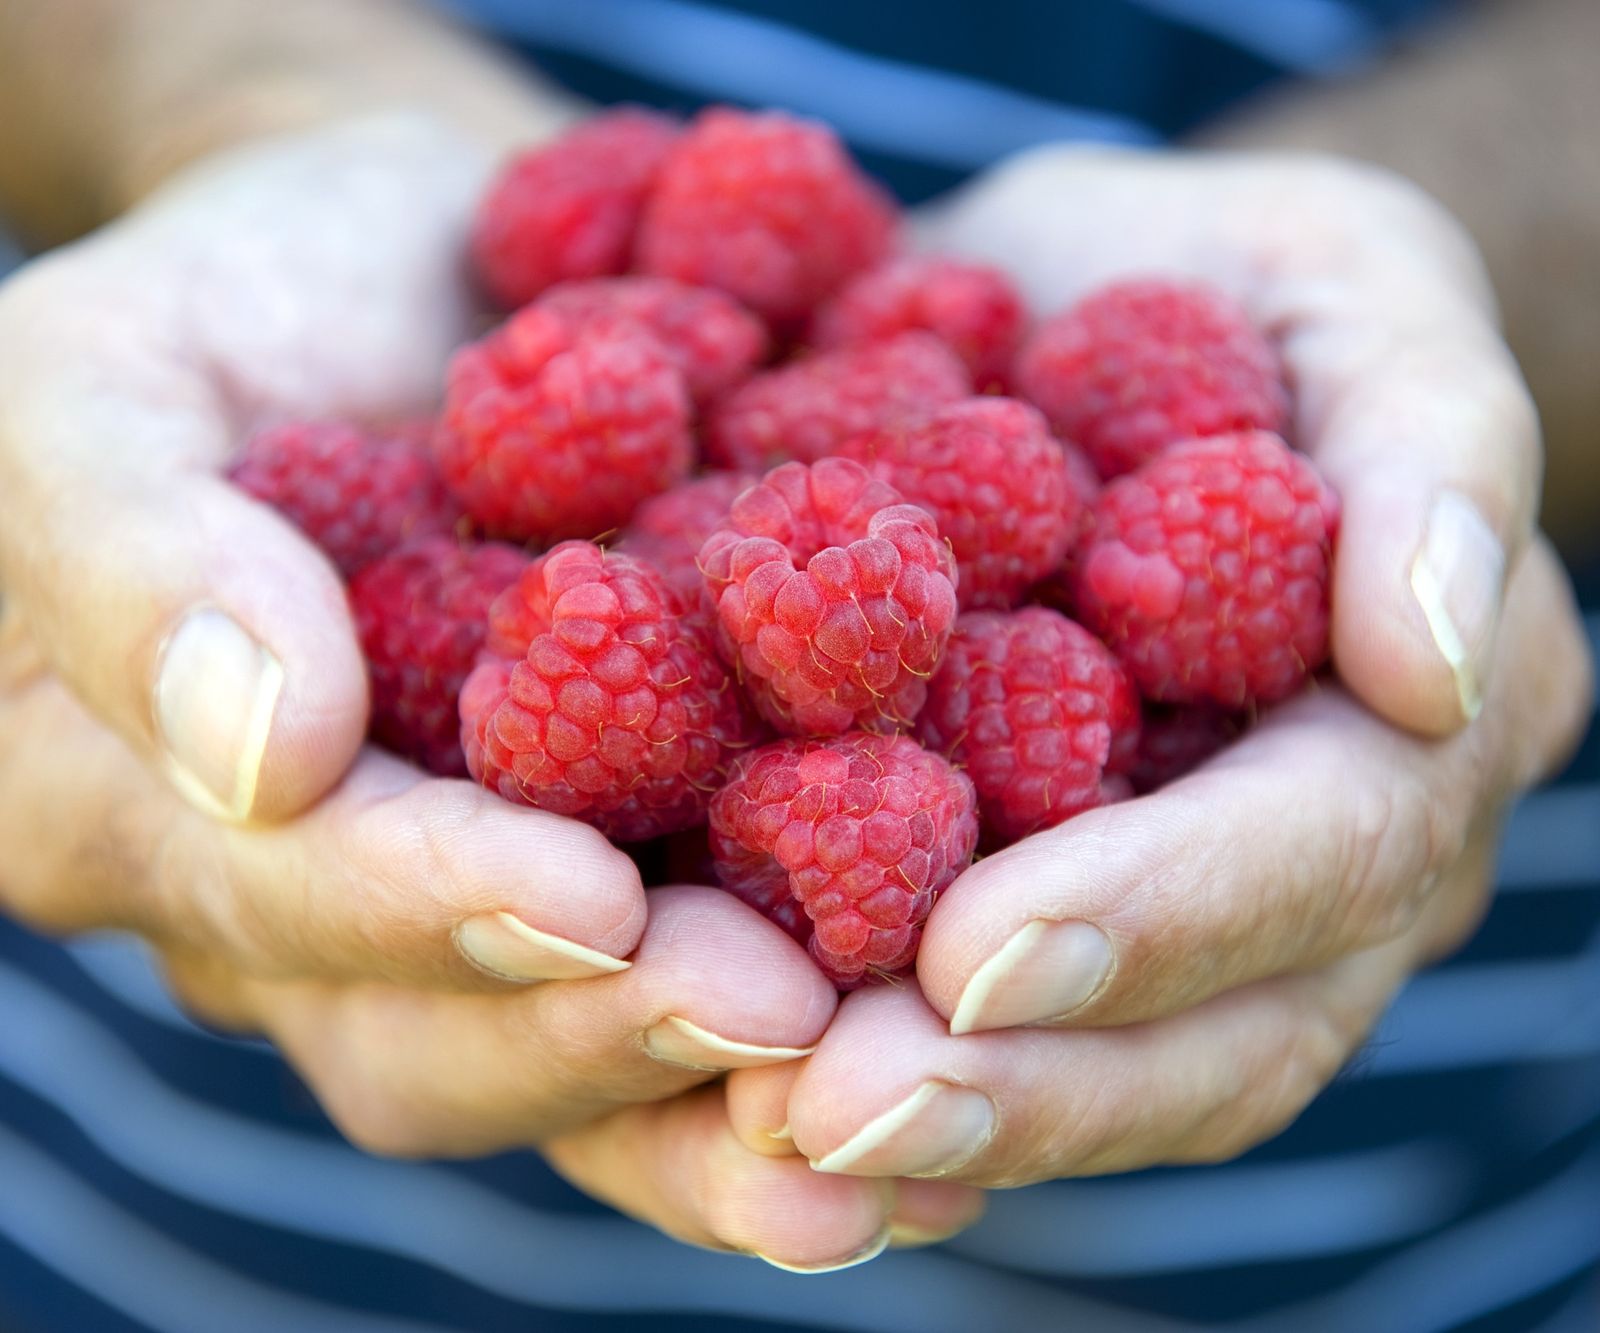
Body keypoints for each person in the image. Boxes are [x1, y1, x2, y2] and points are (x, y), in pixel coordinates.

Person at [0, 1, 1594, 1329]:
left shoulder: (928, 595)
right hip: (155, 1222)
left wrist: (1445, 262)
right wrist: (251, 92)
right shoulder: (680, 563)